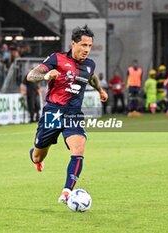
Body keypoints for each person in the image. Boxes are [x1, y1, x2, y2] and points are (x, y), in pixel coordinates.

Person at [26, 25, 108, 204]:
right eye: (83, 45)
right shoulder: (57, 58)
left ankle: (66, 192)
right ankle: (35, 156)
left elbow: (91, 77)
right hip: (53, 112)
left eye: (89, 46)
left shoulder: (89, 65)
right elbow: (31, 76)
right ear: (73, 43)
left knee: (78, 148)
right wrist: (47, 76)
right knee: (39, 154)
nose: (86, 50)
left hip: (73, 113)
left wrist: (100, 90)